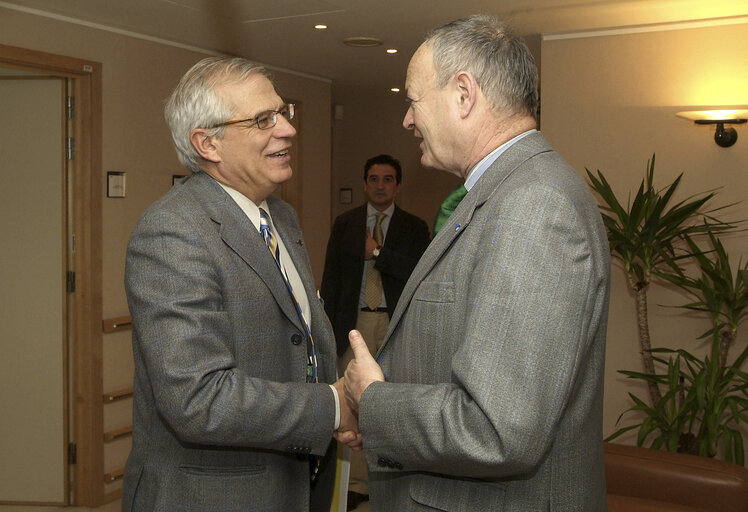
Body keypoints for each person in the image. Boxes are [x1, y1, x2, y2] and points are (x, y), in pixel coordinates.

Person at [343, 14, 611, 511]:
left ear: (463, 95)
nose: (406, 119)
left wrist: (375, 403)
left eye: (413, 100)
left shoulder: (534, 207)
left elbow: (495, 427)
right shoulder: (502, 195)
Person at [123, 56, 359, 512]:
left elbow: (300, 337)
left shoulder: (280, 216)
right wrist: (332, 406)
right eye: (263, 120)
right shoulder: (172, 231)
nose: (288, 129)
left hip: (294, 484)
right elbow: (198, 398)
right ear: (208, 143)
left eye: (283, 112)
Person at [320, 154, 429, 506]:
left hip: (394, 322)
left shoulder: (414, 227)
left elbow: (417, 276)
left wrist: (377, 252)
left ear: (397, 185)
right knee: (353, 405)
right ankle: (354, 488)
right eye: (374, 179)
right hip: (354, 325)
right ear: (365, 183)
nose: (380, 185)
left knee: (388, 401)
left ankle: (388, 483)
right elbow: (332, 279)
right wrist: (327, 332)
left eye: (387, 179)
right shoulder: (346, 224)